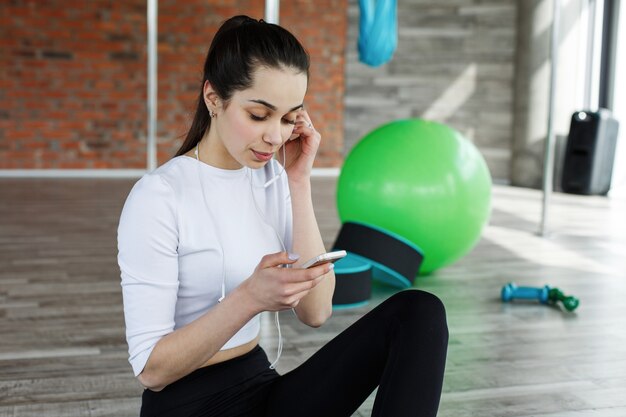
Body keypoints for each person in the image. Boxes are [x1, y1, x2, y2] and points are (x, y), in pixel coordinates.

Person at [117, 15, 448, 417]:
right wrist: (250, 299)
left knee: (419, 313)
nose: (275, 136)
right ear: (213, 99)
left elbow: (316, 312)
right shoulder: (159, 196)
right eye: (259, 115)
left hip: (260, 389)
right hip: (187, 405)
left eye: (289, 118)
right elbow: (151, 371)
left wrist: (299, 180)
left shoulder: (273, 178)